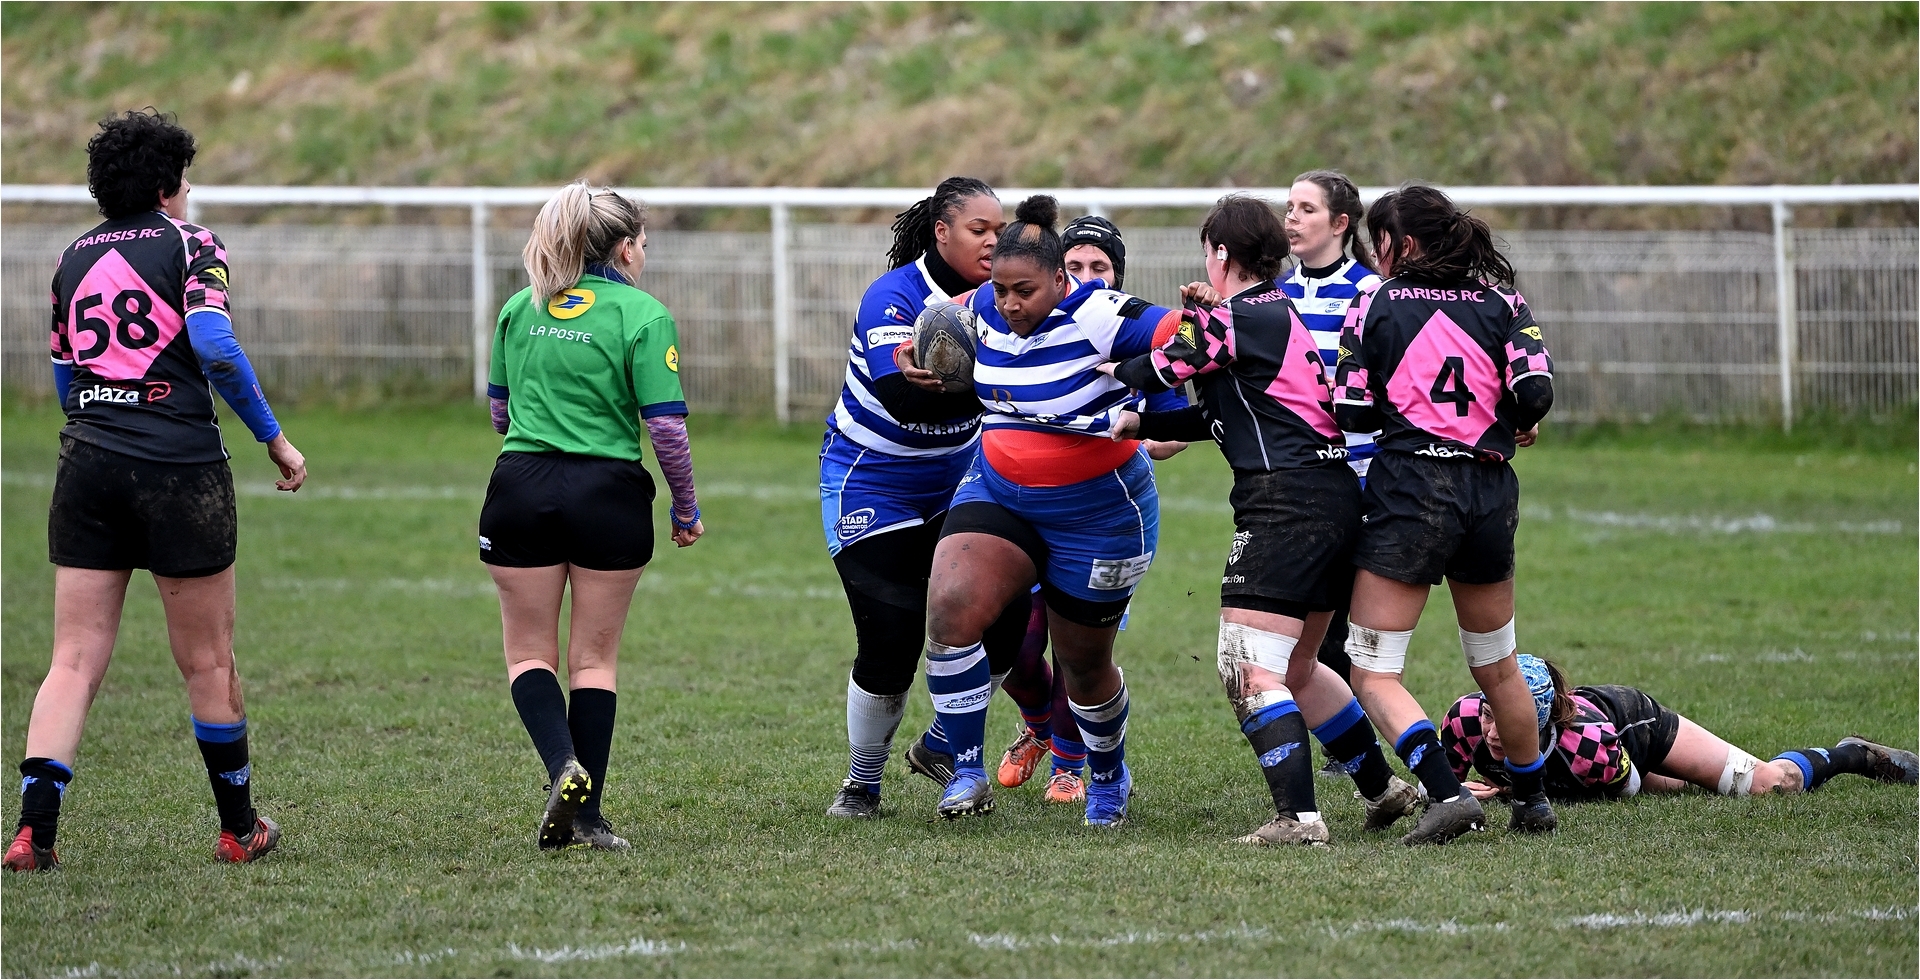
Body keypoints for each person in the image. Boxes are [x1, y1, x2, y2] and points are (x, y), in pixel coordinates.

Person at [8, 109, 307, 872]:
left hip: (87, 463)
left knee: (73, 659)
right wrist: (273, 437)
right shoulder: (192, 244)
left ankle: (34, 833)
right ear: (170, 185)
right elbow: (215, 345)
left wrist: (100, 425)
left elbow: (66, 377)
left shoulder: (71, 259)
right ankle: (238, 829)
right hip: (178, 466)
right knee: (207, 661)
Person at [1100, 195, 1418, 845]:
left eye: (1207, 251)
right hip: (1328, 497)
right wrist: (1141, 421)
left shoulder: (1236, 317)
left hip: (1287, 506)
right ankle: (1383, 789)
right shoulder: (1276, 310)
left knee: (1246, 666)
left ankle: (1297, 819)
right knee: (1299, 666)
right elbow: (1229, 413)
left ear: (1221, 253)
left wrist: (1093, 367)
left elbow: (1161, 364)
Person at [914, 195, 1186, 826]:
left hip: (1100, 513)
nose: (1010, 304)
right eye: (1001, 290)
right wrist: (915, 354)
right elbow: (937, 324)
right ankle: (966, 772)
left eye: (1025, 292)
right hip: (999, 492)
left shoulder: (1099, 313)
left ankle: (1108, 776)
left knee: (1083, 665)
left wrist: (1160, 383)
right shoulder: (983, 306)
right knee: (951, 608)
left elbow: (1191, 335)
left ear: (1061, 280)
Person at [481, 180, 703, 851]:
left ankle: (561, 767)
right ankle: (586, 817)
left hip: (521, 487)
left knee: (528, 653)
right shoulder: (644, 315)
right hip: (608, 493)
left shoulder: (520, 306)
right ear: (626, 248)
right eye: (644, 242)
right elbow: (666, 429)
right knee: (594, 662)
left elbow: (500, 414)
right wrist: (685, 506)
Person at [1333, 183, 1557, 845]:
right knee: (1497, 663)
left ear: (1402, 244)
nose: (1373, 256)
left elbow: (1352, 411)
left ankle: (1447, 793)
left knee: (1372, 668)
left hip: (1412, 488)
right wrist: (1505, 419)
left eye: (1377, 242)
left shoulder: (1373, 303)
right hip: (1489, 491)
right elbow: (1535, 393)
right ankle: (1533, 801)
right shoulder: (1503, 302)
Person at [818, 177, 1040, 819]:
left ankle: (943, 741)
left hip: (963, 478)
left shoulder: (1006, 300)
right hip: (872, 480)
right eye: (979, 229)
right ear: (942, 232)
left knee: (1007, 619)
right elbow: (905, 399)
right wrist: (1002, 387)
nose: (994, 241)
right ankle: (862, 783)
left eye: (1000, 230)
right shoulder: (894, 297)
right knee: (891, 639)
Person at [990, 213, 1132, 806]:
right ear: (1057, 274)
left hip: (1099, 510)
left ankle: (1073, 765)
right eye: (1077, 266)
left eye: (1101, 267)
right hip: (1023, 506)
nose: (1089, 276)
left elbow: (1171, 418)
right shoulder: (1013, 326)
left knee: (1077, 655)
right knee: (1018, 648)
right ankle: (1040, 726)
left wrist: (1139, 429)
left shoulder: (1115, 334)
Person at [1443, 655, 1919, 801]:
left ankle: (1852, 754)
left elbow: (1627, 786)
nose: (1493, 732)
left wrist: (1511, 790)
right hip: (1609, 753)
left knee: (1771, 785)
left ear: (1543, 719)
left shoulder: (1587, 747)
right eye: (1490, 714)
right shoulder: (1463, 720)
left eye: (1510, 720)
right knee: (1695, 792)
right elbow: (1443, 786)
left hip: (1637, 734)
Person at [1279, 171, 1381, 705]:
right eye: (1289, 207)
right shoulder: (1275, 295)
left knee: (1345, 621)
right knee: (1301, 620)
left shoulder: (1373, 293)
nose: (1291, 219)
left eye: (1307, 209)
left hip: (1360, 474)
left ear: (1340, 223)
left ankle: (1354, 731)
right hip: (1296, 476)